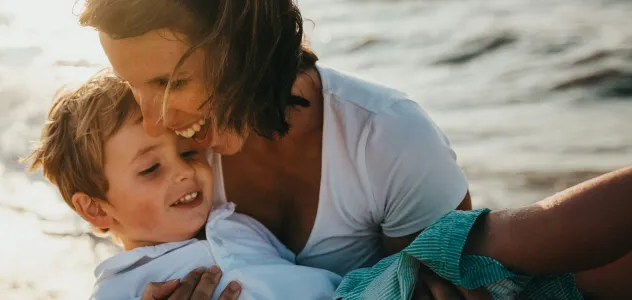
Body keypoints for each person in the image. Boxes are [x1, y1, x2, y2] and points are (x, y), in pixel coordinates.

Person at [77, 0, 632, 299]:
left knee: (503, 258)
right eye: (133, 86)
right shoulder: (177, 155)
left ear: (242, 46)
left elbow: (455, 281)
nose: (154, 119)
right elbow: (143, 251)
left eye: (169, 83)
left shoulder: (385, 139)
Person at [26, 72, 343, 299]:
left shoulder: (240, 223)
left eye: (189, 151)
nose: (184, 172)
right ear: (95, 207)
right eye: (151, 169)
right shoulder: (122, 288)